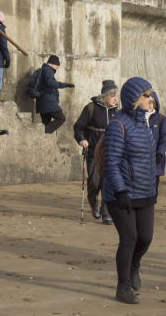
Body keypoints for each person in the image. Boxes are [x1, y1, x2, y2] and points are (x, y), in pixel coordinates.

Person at [102, 77, 158, 304]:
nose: (150, 99)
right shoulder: (117, 124)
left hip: (145, 192)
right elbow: (111, 162)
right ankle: (122, 286)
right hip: (120, 194)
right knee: (129, 238)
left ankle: (135, 265)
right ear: (134, 99)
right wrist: (121, 191)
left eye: (150, 95)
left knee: (145, 238)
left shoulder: (145, 123)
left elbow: (148, 160)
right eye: (146, 95)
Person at [72, 80, 119, 225]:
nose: (115, 98)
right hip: (93, 152)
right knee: (93, 182)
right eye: (112, 95)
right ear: (104, 96)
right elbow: (78, 127)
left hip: (111, 154)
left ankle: (106, 213)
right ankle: (93, 204)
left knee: (108, 184)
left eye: (116, 95)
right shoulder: (91, 108)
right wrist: (82, 139)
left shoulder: (117, 112)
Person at [35, 55, 75, 134]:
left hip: (41, 102)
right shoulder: (48, 71)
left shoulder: (42, 70)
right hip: (48, 102)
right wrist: (65, 85)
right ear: (53, 64)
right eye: (57, 66)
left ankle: (44, 138)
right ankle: (41, 133)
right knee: (61, 118)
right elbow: (51, 83)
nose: (57, 68)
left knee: (46, 123)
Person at [149, 91, 166, 196]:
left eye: (151, 103)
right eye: (148, 102)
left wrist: (160, 154)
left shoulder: (161, 119)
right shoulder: (139, 118)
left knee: (153, 189)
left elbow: (164, 138)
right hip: (140, 161)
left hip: (156, 160)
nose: (149, 105)